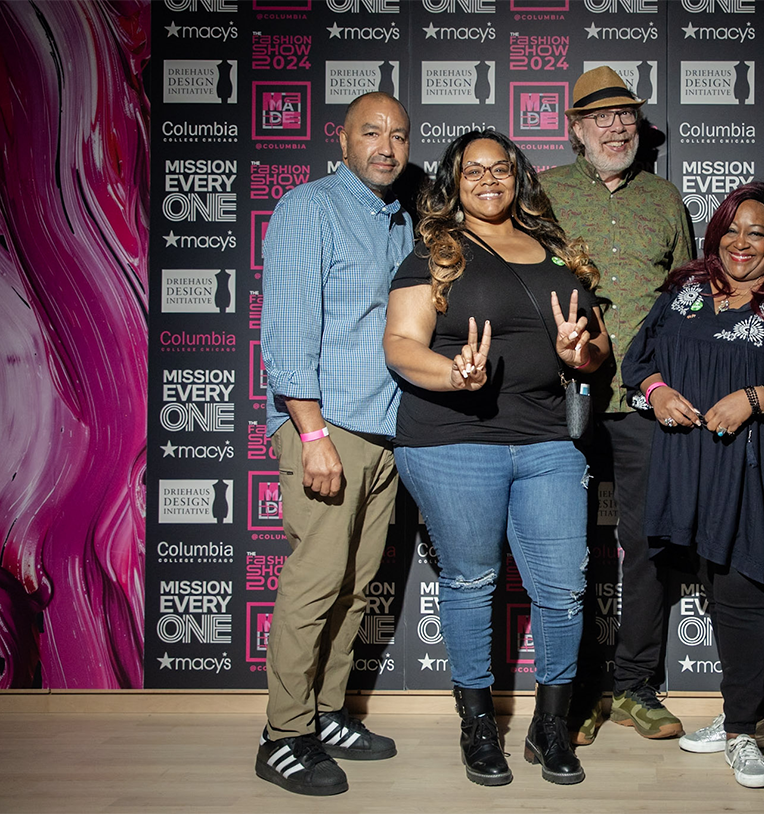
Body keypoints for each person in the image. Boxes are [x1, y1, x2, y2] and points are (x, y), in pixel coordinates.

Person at [383, 130, 611, 787]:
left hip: (547, 443)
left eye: (500, 169)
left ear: (519, 178)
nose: (488, 179)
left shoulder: (557, 251)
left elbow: (592, 351)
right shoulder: (439, 252)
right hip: (453, 442)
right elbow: (400, 344)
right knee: (471, 583)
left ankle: (550, 728)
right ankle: (478, 727)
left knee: (564, 589)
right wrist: (454, 373)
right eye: (473, 170)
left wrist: (581, 354)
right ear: (455, 181)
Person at [622, 183, 764, 788]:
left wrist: (754, 398)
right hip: (689, 469)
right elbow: (638, 361)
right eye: (732, 229)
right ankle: (738, 715)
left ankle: (744, 731)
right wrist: (658, 392)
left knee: (744, 592)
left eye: (758, 233)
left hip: (753, 471)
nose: (741, 243)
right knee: (719, 594)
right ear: (715, 231)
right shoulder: (684, 290)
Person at [255, 91, 413, 796]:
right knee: (315, 584)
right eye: (371, 132)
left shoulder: (402, 222)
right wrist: (311, 433)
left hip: (384, 434)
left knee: (355, 590)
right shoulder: (309, 208)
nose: (386, 146)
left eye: (399, 135)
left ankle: (326, 712)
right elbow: (288, 333)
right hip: (329, 428)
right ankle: (283, 735)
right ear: (341, 139)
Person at [540, 65, 695, 745]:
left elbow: (690, 303)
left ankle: (634, 687)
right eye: (599, 117)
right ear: (575, 129)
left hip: (642, 403)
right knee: (560, 550)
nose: (616, 126)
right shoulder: (540, 195)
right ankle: (571, 697)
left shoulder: (665, 200)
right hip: (557, 400)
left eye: (626, 115)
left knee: (648, 547)